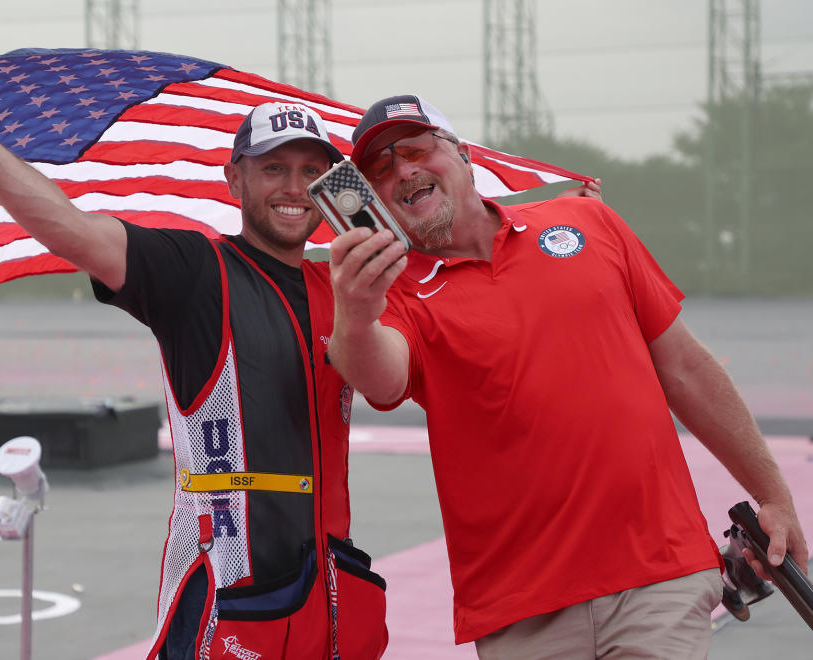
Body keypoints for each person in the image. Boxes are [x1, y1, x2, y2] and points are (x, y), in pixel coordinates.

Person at [0, 53, 390, 660]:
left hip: (332, 596)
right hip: (231, 592)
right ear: (235, 180)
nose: (294, 188)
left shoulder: (346, 290)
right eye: (274, 169)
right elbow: (70, 229)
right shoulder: (196, 270)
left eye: (312, 172)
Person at [326, 94, 808, 659]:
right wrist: (355, 312)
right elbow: (381, 381)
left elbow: (687, 369)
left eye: (415, 149)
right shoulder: (396, 291)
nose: (403, 170)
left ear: (461, 156)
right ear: (375, 201)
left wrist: (773, 495)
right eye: (379, 169)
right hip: (522, 609)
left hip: (658, 576)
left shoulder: (588, 221)